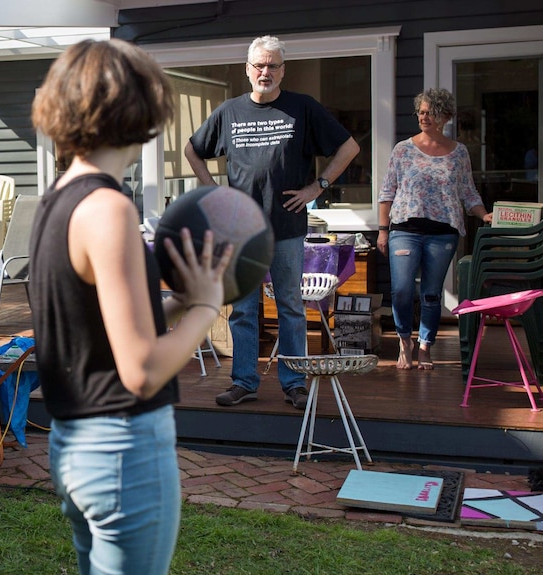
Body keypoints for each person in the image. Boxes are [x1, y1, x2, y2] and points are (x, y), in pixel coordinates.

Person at [29, 39, 232, 575]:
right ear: (138, 110)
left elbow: (90, 327)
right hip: (122, 448)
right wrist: (207, 307)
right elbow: (140, 370)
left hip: (75, 446)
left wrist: (175, 303)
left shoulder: (56, 201)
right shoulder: (110, 209)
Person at [184, 35, 360, 409]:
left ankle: (294, 384)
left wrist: (318, 186)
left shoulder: (303, 108)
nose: (266, 71)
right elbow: (193, 149)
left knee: (291, 308)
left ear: (283, 70)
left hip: (287, 227)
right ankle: (244, 381)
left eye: (273, 65)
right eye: (259, 65)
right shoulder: (228, 112)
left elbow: (349, 147)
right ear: (247, 70)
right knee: (244, 310)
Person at [377, 88, 492, 370]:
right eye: (421, 111)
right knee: (402, 290)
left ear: (445, 117)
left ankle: (426, 346)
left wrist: (484, 214)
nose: (424, 116)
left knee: (431, 293)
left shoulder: (459, 153)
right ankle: (405, 340)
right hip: (404, 229)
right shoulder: (402, 150)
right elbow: (386, 191)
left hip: (443, 233)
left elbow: (468, 193)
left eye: (431, 112)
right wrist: (382, 230)